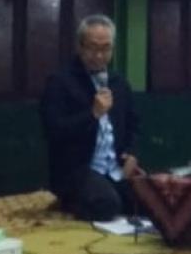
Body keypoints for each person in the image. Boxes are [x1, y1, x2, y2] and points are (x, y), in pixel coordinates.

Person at [41, 14, 143, 221]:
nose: (98, 55)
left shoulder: (119, 83)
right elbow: (54, 131)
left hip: (114, 167)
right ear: (79, 47)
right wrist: (92, 114)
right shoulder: (60, 82)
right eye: (92, 48)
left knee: (151, 200)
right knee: (108, 204)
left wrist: (132, 154)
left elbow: (134, 124)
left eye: (106, 48)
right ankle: (69, 201)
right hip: (77, 169)